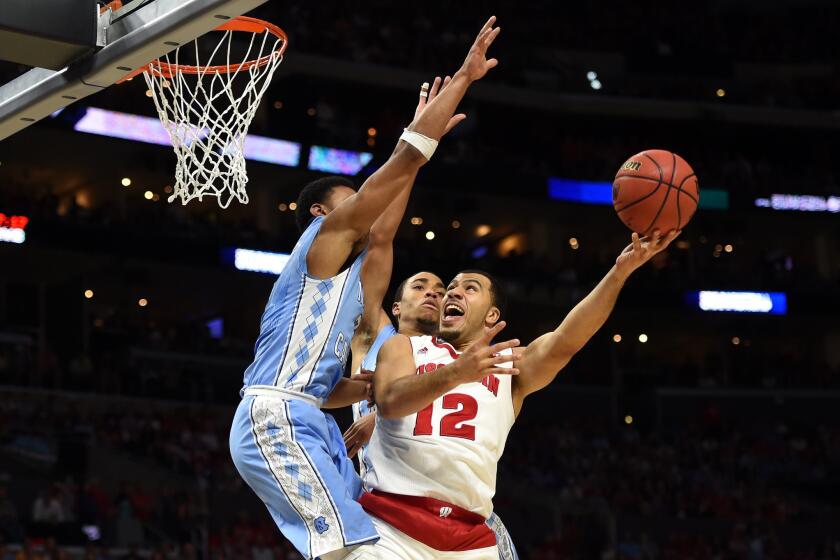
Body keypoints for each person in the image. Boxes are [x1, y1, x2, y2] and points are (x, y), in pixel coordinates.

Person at [228, 16, 501, 560]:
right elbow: (394, 174)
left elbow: (384, 231)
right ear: (321, 212)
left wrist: (369, 394)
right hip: (277, 414)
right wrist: (457, 89)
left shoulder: (355, 288)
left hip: (315, 419)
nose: (363, 206)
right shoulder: (321, 246)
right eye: (353, 198)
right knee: (345, 551)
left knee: (376, 540)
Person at [362, 230, 681, 558]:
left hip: (469, 539)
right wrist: (457, 371)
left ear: (492, 316)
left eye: (469, 288)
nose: (452, 293)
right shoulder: (406, 346)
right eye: (451, 289)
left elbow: (567, 339)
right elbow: (390, 401)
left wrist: (620, 272)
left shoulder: (510, 367)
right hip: (390, 524)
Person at [343, 271, 520, 560]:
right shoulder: (381, 335)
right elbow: (367, 268)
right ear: (396, 306)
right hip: (382, 495)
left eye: (440, 290)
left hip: (449, 506)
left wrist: (376, 419)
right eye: (420, 286)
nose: (434, 294)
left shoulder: (445, 355)